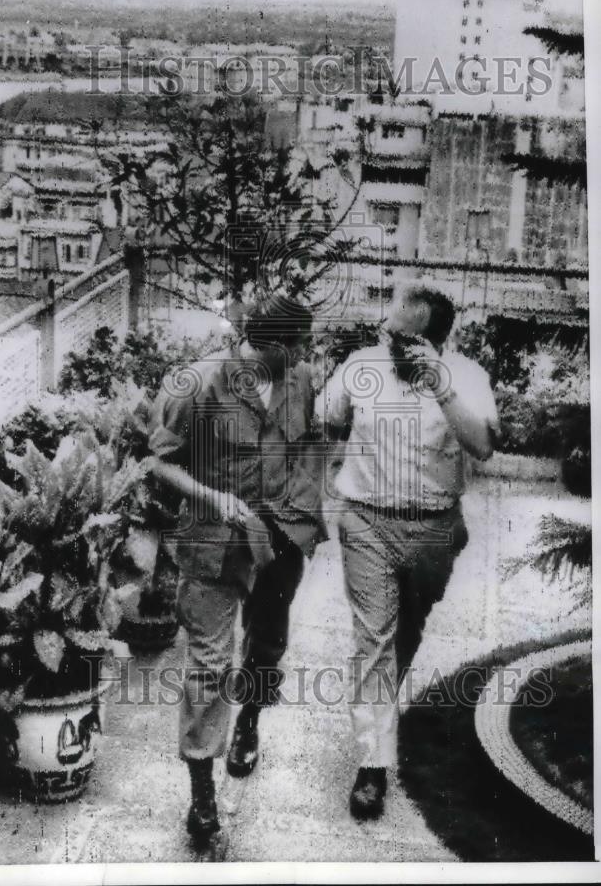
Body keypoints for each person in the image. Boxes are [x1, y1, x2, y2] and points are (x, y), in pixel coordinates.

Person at [149, 293, 326, 849]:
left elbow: (310, 445)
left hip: (280, 539)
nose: (305, 355)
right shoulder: (196, 384)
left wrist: (304, 508)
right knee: (207, 664)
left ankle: (249, 719)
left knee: (268, 644)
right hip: (215, 543)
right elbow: (157, 461)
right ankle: (203, 793)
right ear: (271, 345)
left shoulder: (299, 381)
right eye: (298, 345)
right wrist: (213, 498)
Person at [315, 282, 498, 820]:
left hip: (434, 530)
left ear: (431, 342)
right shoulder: (362, 365)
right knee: (373, 638)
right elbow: (325, 419)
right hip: (367, 521)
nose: (384, 339)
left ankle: (380, 713)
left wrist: (441, 389)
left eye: (397, 336)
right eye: (385, 329)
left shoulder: (466, 378)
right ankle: (373, 766)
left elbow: (484, 445)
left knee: (403, 637)